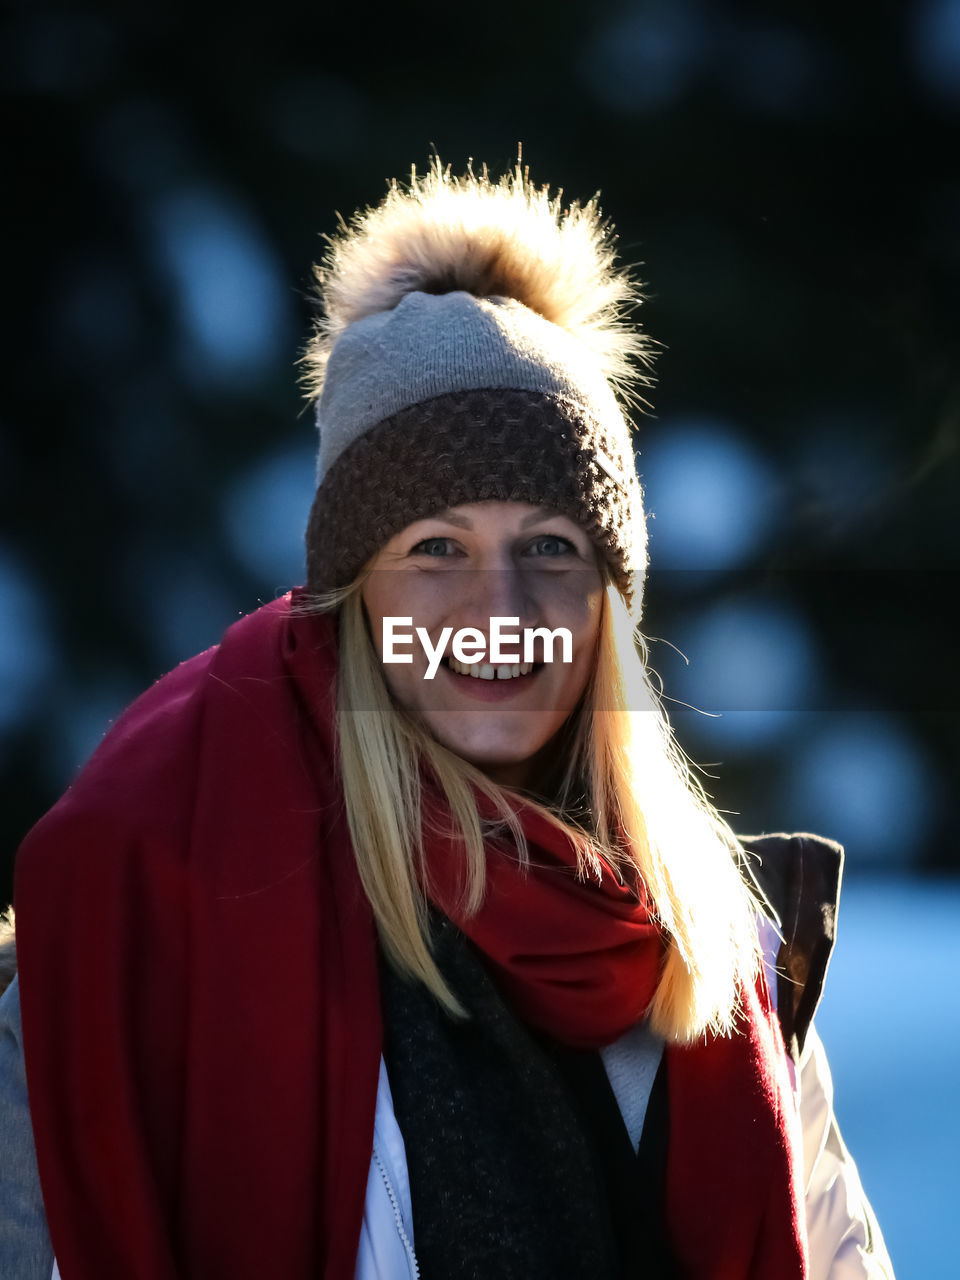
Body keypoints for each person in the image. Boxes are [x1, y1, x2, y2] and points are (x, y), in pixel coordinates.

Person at [0, 160, 894, 1279]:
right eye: (435, 550)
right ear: (348, 596)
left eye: (552, 549)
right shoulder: (147, 921)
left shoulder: (713, 953)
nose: (501, 608)